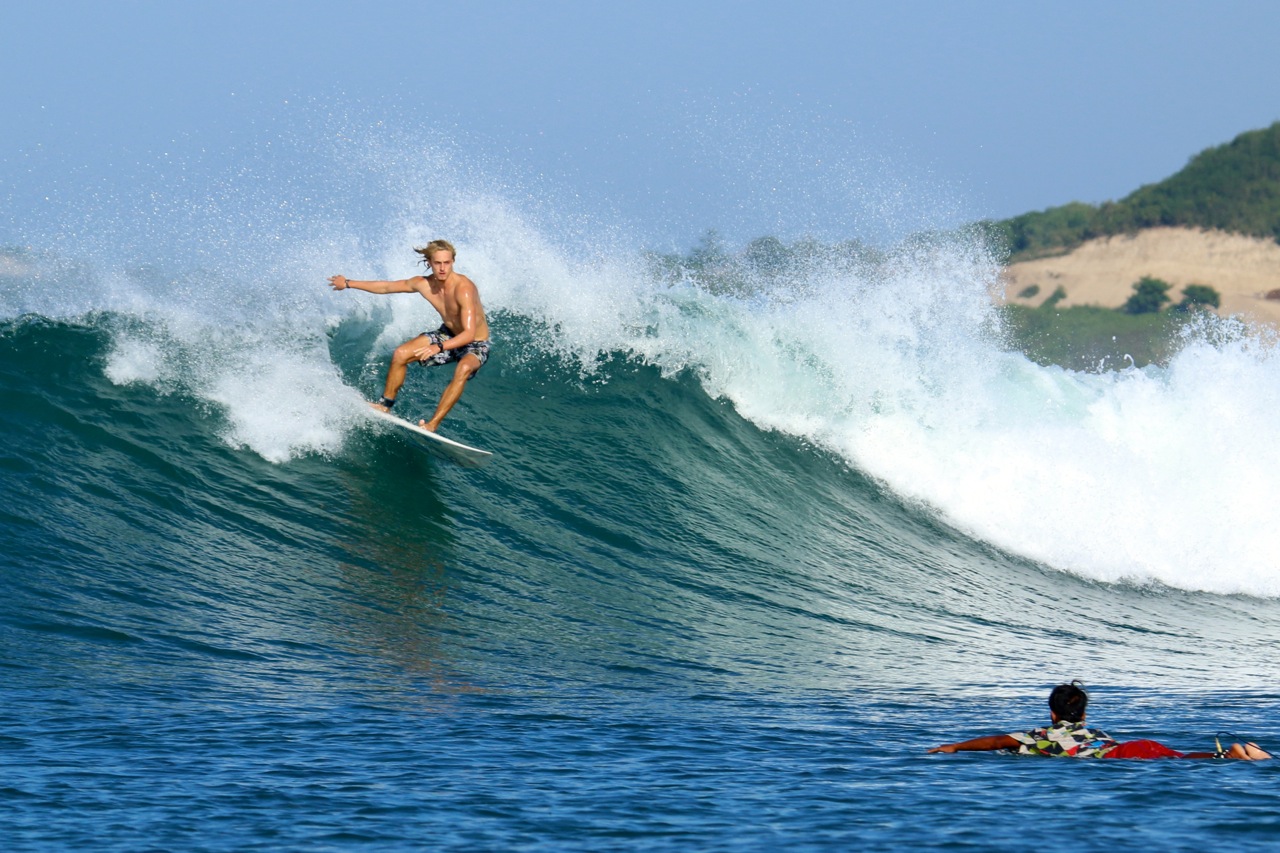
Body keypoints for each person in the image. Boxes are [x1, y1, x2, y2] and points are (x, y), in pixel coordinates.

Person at [329, 240, 491, 432]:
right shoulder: (424, 284)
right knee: (401, 353)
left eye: (446, 263)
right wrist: (348, 283)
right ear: (429, 262)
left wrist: (438, 347)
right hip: (447, 335)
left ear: (453, 262)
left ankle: (432, 425)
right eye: (437, 263)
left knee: (463, 368)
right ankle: (384, 405)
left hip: (475, 343)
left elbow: (469, 333)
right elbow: (386, 287)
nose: (442, 268)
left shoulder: (464, 288)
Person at [927, 682, 1271, 760]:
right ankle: (1231, 754)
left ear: (1052, 714)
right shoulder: (1093, 730)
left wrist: (955, 746)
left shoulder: (1039, 735)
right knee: (1179, 758)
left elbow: (997, 741)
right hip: (1131, 745)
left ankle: (1231, 757)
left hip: (1120, 756)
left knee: (1177, 762)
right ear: (1084, 716)